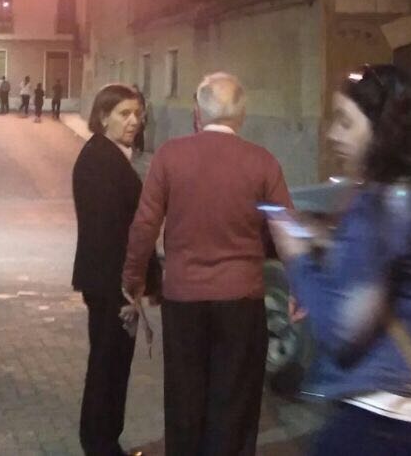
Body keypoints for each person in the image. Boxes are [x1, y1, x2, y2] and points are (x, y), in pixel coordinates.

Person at [270, 64, 411, 455]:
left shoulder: (381, 204)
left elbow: (342, 333)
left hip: (386, 423)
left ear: (381, 129)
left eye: (344, 122)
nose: (332, 135)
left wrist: (298, 258)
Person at [122, 72, 292, 456]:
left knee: (184, 401)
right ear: (242, 116)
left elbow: (145, 225)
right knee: (235, 403)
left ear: (197, 113)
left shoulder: (170, 155)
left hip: (184, 301)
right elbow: (285, 232)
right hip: (241, 303)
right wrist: (299, 286)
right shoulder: (262, 162)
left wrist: (133, 279)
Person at [72, 85, 159, 456]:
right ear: (103, 116)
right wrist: (129, 287)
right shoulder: (100, 161)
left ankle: (105, 440)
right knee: (108, 366)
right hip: (112, 284)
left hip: (113, 281)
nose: (134, 122)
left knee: (111, 365)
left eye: (138, 114)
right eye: (125, 114)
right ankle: (101, 445)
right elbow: (111, 232)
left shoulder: (109, 156)